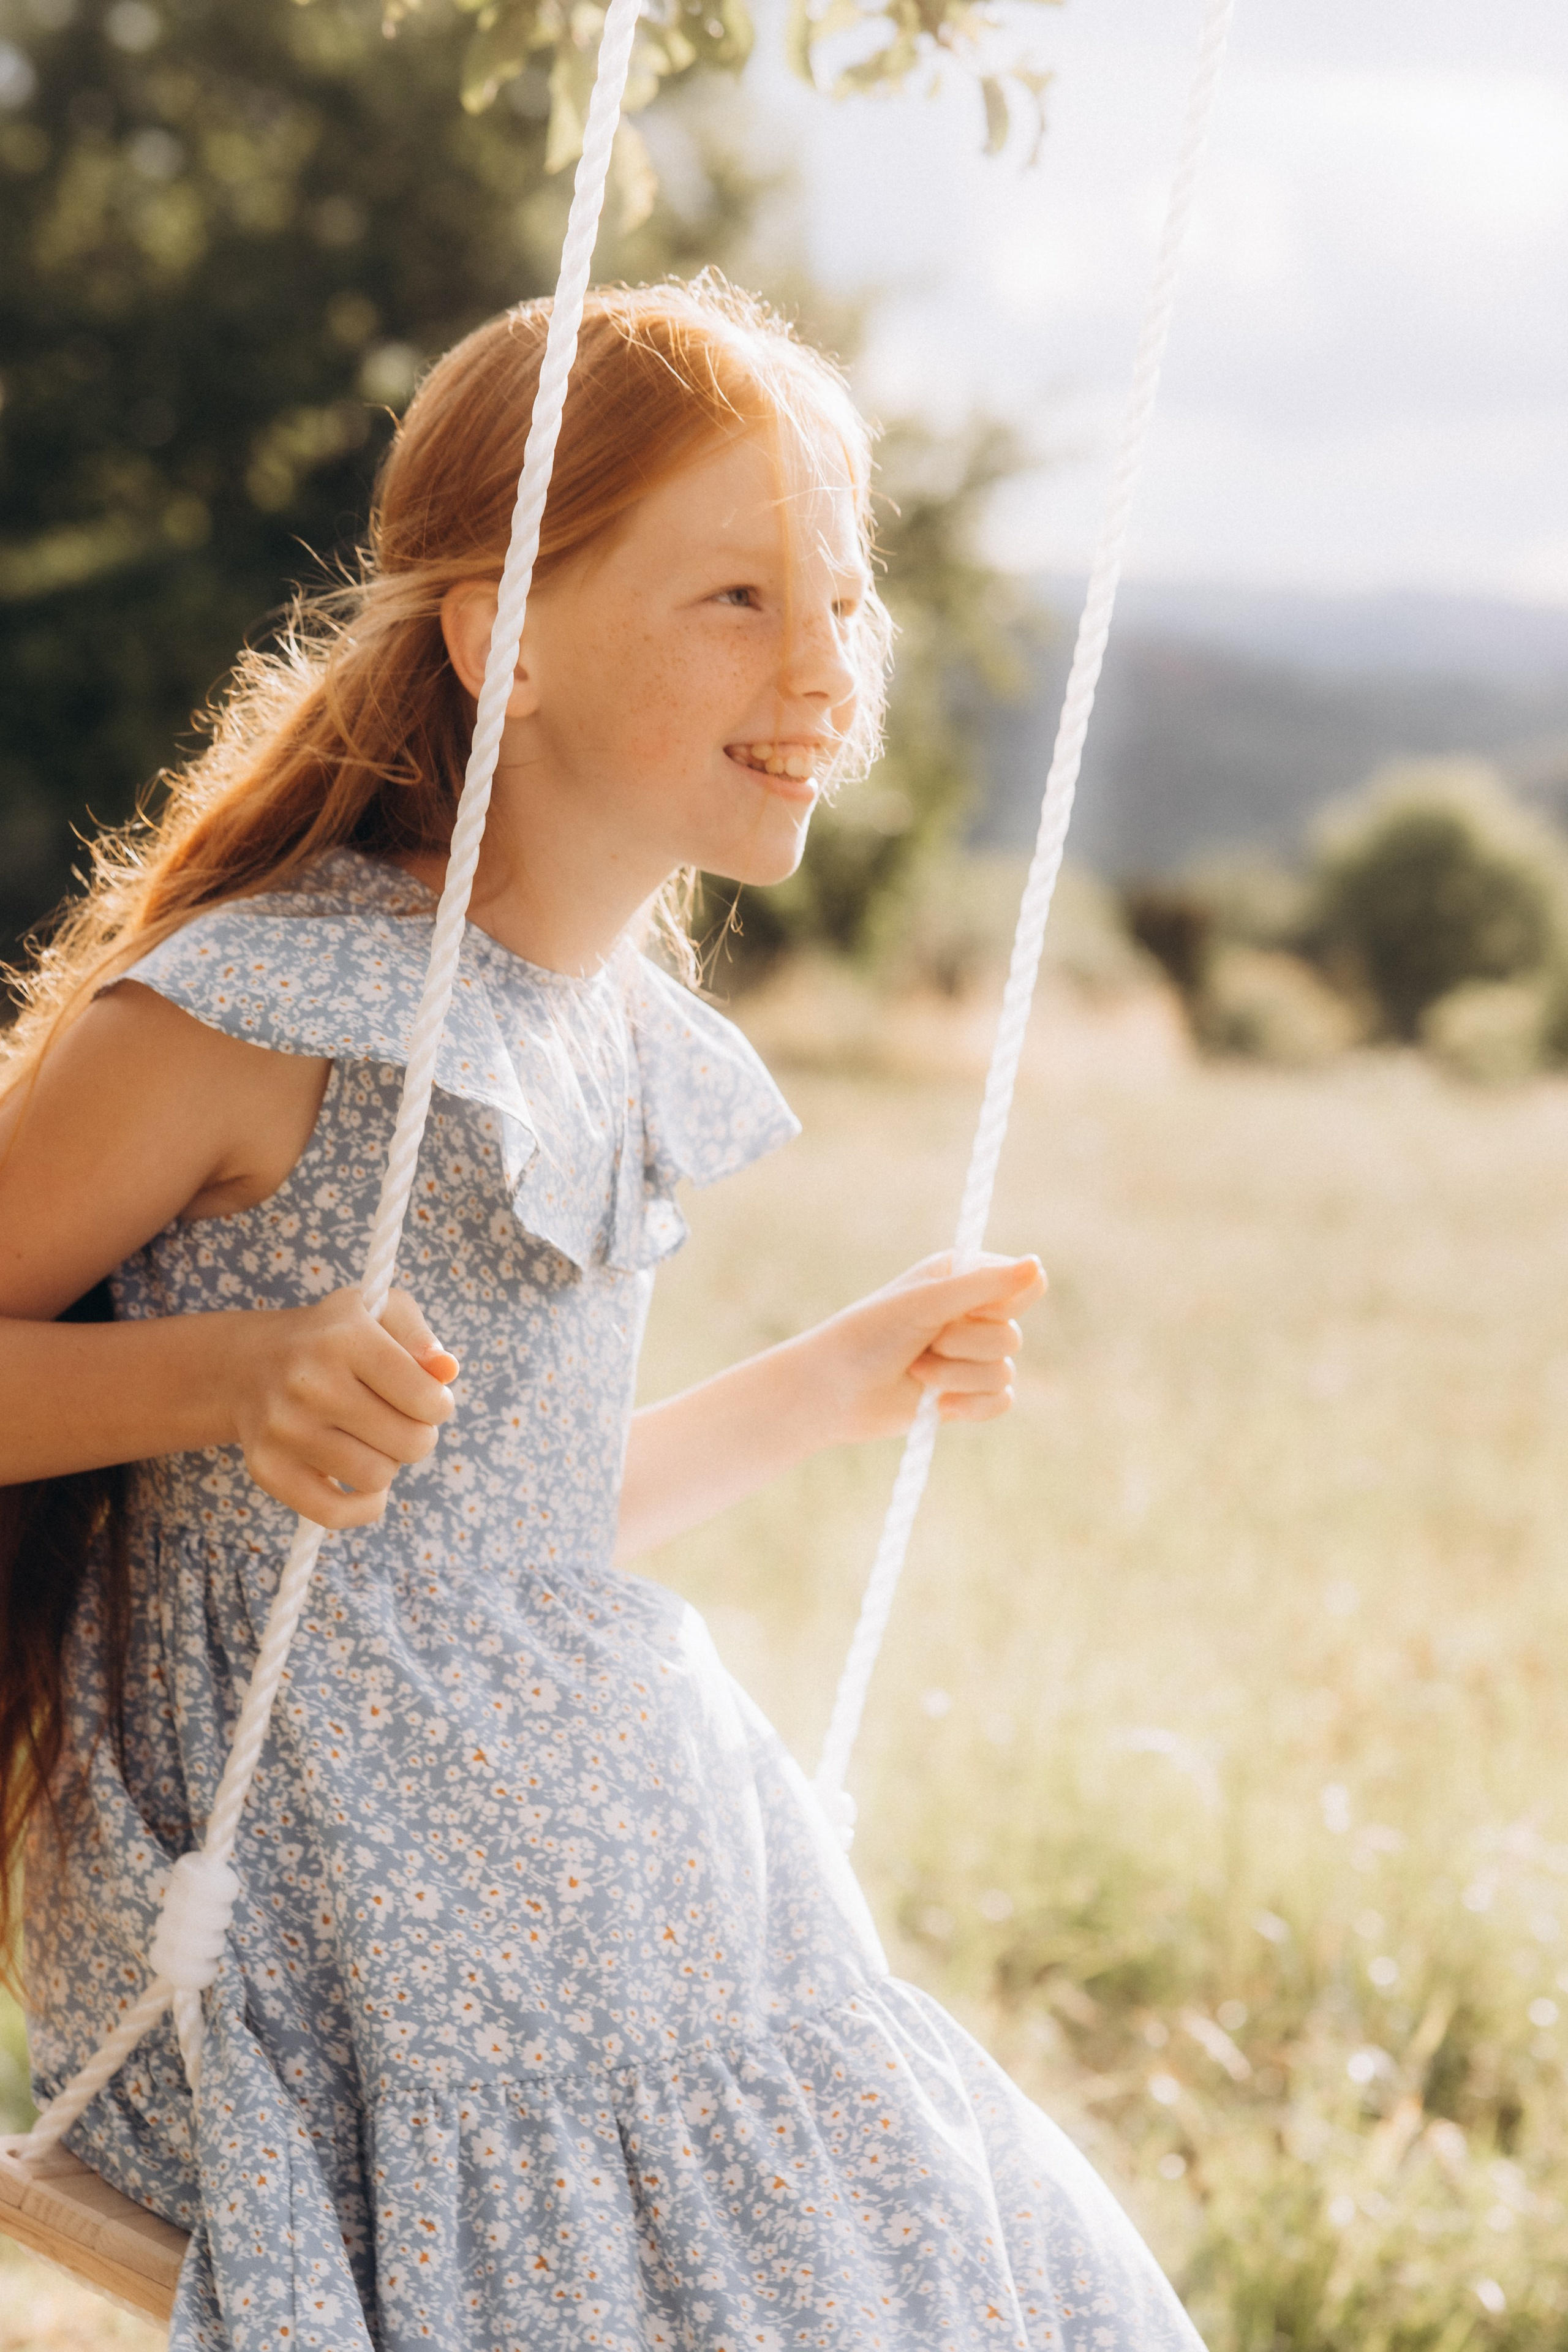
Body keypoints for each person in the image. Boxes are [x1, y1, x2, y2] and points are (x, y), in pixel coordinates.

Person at [0, 277, 1203, 2352]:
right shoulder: (251, 1019)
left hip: (598, 1869)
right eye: (739, 597)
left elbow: (491, 1547)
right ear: (507, 640)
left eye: (844, 599)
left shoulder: (614, 1039)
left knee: (957, 2235)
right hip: (330, 1928)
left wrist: (826, 1386)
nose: (827, 668)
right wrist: (219, 1376)